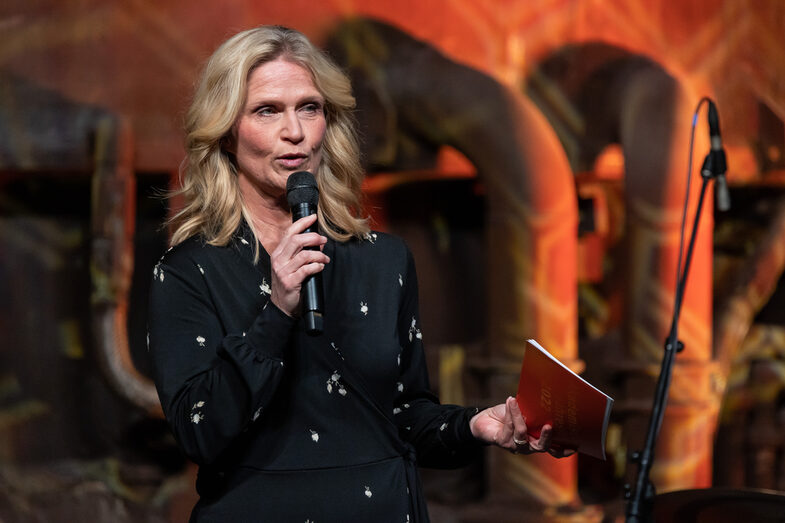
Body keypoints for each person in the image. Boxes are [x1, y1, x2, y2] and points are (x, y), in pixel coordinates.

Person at [148, 25, 569, 522]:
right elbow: (200, 432)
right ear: (226, 132)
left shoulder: (383, 260)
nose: (295, 132)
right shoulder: (188, 272)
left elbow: (404, 416)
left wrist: (476, 425)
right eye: (267, 111)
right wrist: (276, 309)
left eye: (309, 107)